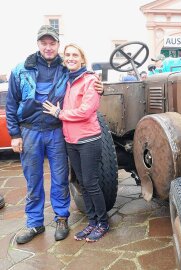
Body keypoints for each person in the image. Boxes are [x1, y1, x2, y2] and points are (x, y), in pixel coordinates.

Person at [6, 25, 103, 244]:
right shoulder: (21, 69)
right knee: (33, 179)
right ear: (38, 44)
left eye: (52, 43)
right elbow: (11, 103)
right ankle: (34, 223)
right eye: (44, 43)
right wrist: (14, 134)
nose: (48, 47)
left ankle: (61, 217)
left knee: (60, 177)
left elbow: (85, 78)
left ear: (58, 44)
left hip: (56, 131)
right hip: (29, 132)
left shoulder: (64, 67)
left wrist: (100, 86)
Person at [43, 44, 109, 242]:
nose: (71, 58)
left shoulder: (90, 80)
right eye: (68, 55)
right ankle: (92, 221)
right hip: (71, 140)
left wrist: (59, 113)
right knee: (82, 183)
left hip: (88, 139)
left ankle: (103, 223)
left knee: (91, 182)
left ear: (82, 59)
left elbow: (86, 111)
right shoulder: (68, 80)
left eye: (75, 55)